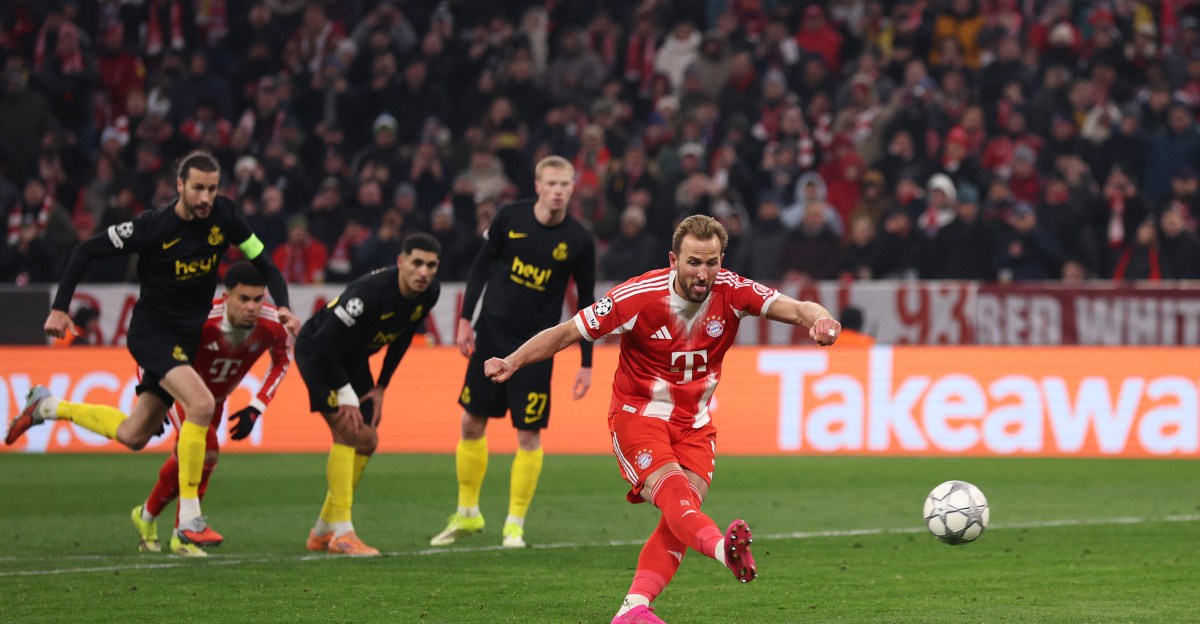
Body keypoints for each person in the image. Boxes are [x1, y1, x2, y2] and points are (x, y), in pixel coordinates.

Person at [483, 215, 840, 623]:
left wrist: (821, 319)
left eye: (711, 263)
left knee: (681, 513)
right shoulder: (638, 297)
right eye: (693, 262)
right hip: (638, 415)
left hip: (695, 421)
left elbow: (797, 309)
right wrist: (513, 360)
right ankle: (726, 552)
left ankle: (633, 609)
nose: (703, 273)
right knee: (676, 497)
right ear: (673, 260)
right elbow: (567, 332)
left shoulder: (734, 290)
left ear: (721, 260)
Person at [6, 151, 298, 551]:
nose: (205, 197)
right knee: (201, 405)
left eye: (212, 189)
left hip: (187, 336)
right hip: (152, 333)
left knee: (134, 434)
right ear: (179, 186)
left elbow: (266, 264)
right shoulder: (153, 226)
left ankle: (47, 406)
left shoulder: (225, 216)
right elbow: (85, 251)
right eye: (197, 188)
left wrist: (282, 306)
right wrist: (60, 308)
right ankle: (190, 520)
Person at [430, 155, 596, 549]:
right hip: (489, 338)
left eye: (565, 184)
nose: (558, 191)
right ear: (537, 185)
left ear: (573, 188)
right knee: (471, 423)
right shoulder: (509, 218)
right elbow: (480, 267)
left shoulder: (579, 240)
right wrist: (465, 319)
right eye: (552, 183)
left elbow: (587, 304)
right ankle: (467, 513)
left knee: (528, 435)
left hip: (537, 349)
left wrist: (586, 363)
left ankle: (514, 523)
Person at [130, 262, 292, 557]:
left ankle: (147, 516)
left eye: (258, 299)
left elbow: (283, 359)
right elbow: (152, 347)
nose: (252, 307)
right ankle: (184, 534)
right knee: (206, 453)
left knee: (187, 459)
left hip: (215, 403)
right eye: (244, 299)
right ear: (226, 296)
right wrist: (150, 393)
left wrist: (256, 407)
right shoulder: (202, 319)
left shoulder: (271, 325)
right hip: (184, 395)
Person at [298, 233, 443, 556]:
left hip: (352, 359)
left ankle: (322, 530)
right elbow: (323, 344)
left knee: (368, 440)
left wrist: (381, 386)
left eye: (431, 265)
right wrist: (346, 393)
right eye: (416, 263)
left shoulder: (429, 293)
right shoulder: (369, 294)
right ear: (401, 262)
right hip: (318, 354)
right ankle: (343, 533)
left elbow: (403, 337)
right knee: (349, 432)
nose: (423, 272)